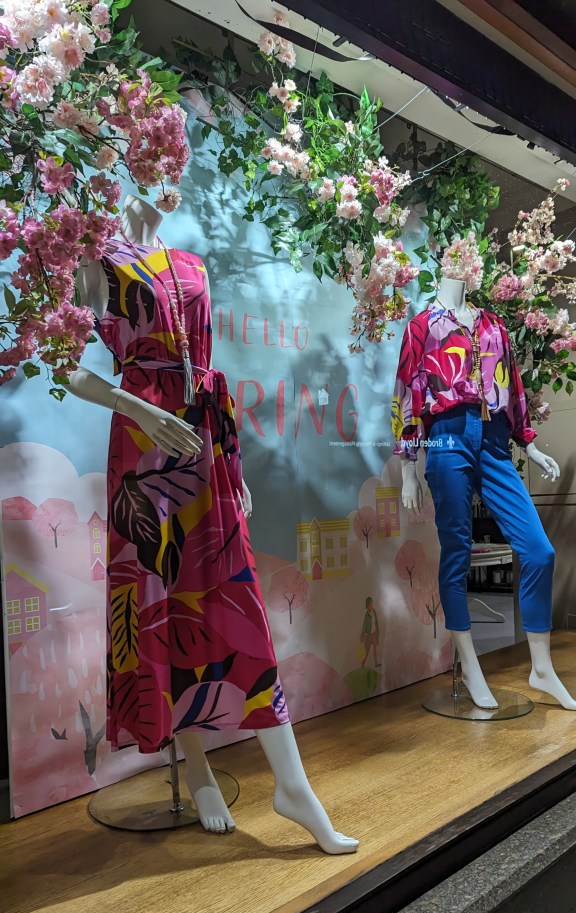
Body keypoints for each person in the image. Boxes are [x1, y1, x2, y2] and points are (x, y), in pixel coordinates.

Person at [66, 194, 359, 853]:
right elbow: (66, 369)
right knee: (160, 604)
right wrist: (138, 409)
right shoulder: (98, 258)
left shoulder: (192, 263)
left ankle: (291, 785)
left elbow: (205, 370)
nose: (164, 173)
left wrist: (232, 461)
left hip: (203, 441)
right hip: (144, 447)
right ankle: (196, 764)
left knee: (232, 603)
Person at [391, 274, 576, 711]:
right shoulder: (421, 326)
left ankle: (541, 668)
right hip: (446, 436)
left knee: (539, 551)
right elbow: (407, 392)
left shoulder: (494, 325)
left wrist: (528, 443)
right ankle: (470, 665)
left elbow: (512, 386)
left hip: (493, 440)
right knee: (456, 551)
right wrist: (407, 465)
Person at [360, 597, 380, 669]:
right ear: (367, 605)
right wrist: (362, 635)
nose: (371, 605)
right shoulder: (366, 615)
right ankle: (362, 665)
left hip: (374, 634)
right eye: (370, 604)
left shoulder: (374, 611)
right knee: (367, 651)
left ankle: (376, 664)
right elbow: (364, 625)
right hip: (369, 635)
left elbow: (376, 622)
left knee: (375, 650)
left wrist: (377, 631)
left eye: (372, 603)